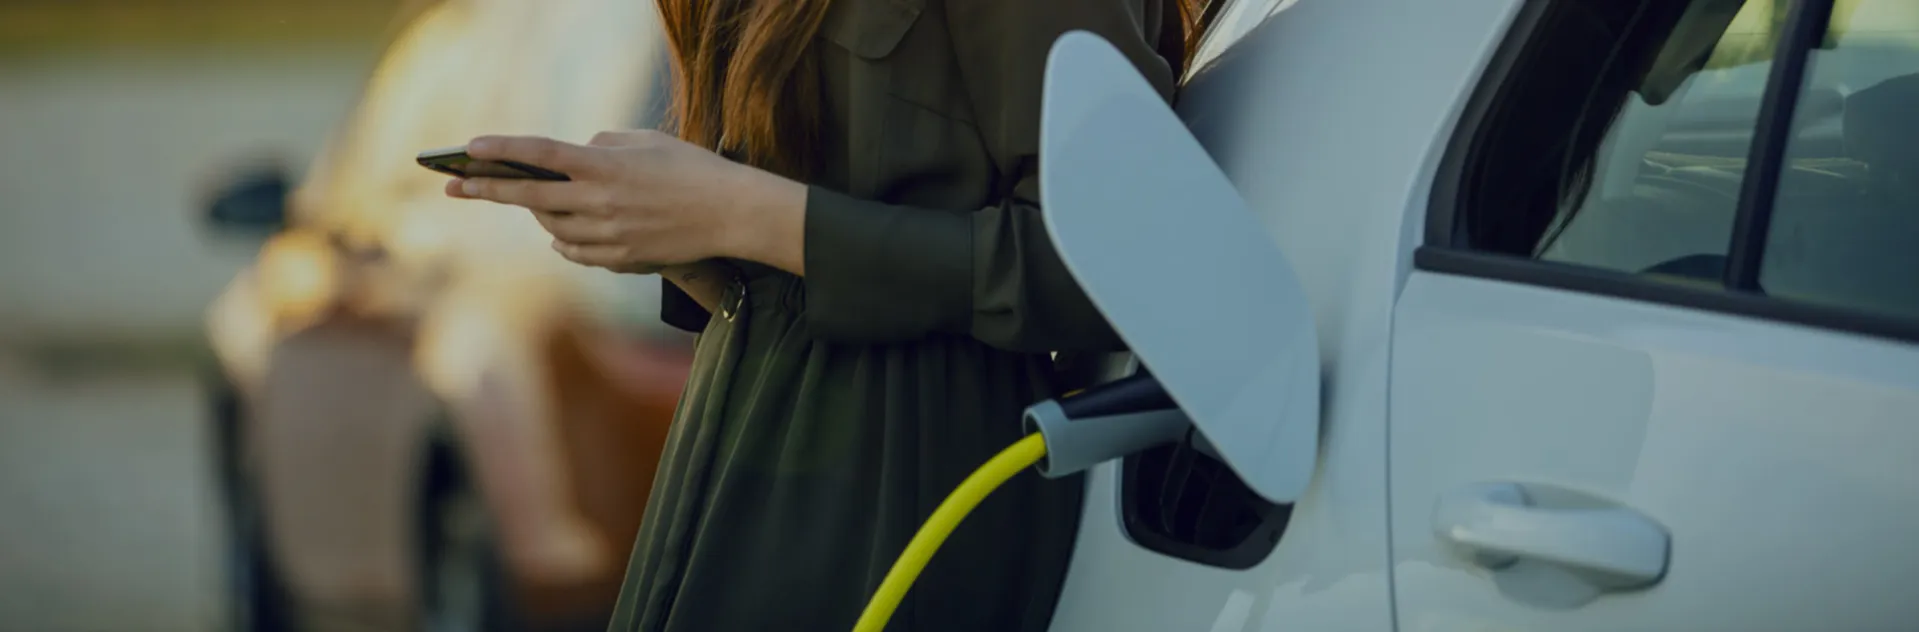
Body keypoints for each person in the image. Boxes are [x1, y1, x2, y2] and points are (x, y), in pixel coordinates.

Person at [444, 0, 1205, 629]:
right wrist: (666, 227)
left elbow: (1120, 270)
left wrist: (744, 214)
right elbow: (793, 273)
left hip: (910, 486)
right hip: (731, 460)